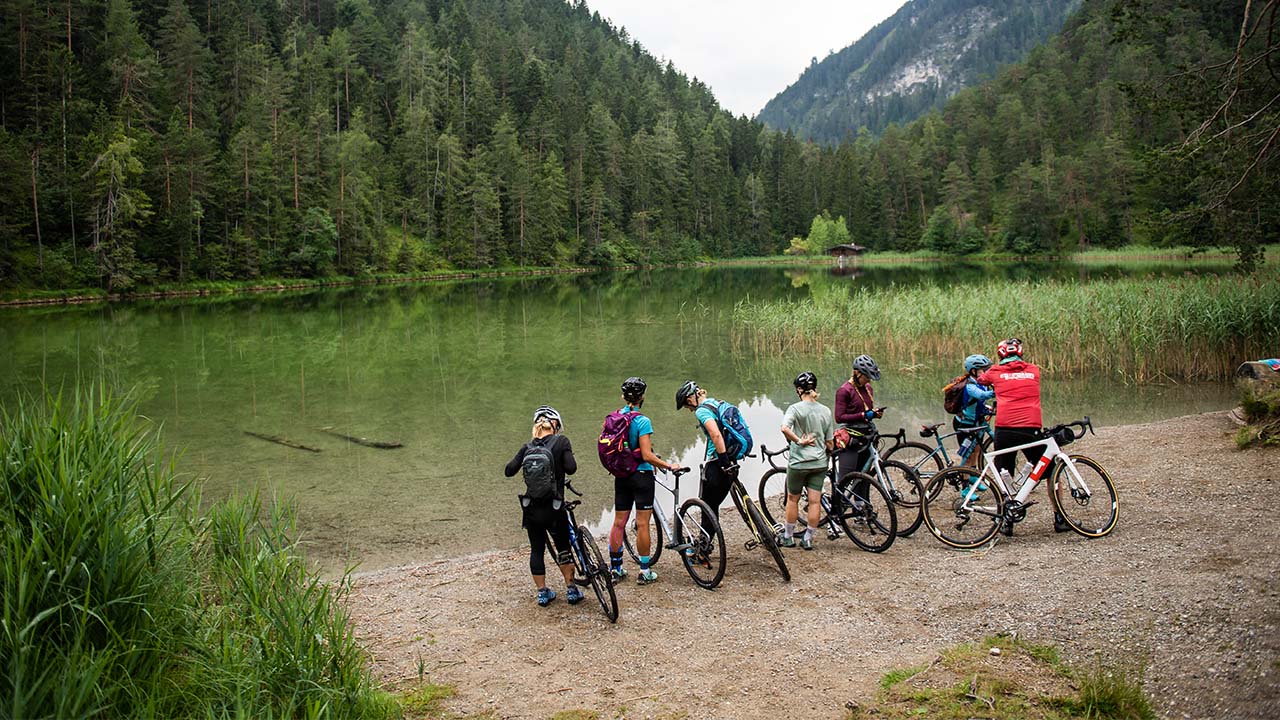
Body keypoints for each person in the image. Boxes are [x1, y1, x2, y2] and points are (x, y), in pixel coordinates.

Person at [976, 338, 1069, 535]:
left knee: (1004, 475)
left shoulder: (994, 372)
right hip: (1030, 428)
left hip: (1005, 429)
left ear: (1000, 355)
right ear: (1021, 353)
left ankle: (1006, 522)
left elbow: (980, 380)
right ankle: (1060, 518)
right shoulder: (1034, 370)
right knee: (1051, 473)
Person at [503, 405, 581, 606]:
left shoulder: (527, 447)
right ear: (555, 425)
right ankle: (571, 590)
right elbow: (572, 468)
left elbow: (508, 471)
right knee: (563, 548)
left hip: (532, 509)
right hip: (555, 508)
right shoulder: (561, 441)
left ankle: (542, 592)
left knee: (536, 549)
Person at [607, 377, 682, 584]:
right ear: (642, 397)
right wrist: (668, 465)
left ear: (623, 396)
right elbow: (647, 455)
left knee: (619, 522)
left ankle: (616, 568)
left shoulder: (615, 417)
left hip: (621, 475)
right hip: (641, 475)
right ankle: (644, 570)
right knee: (642, 523)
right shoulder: (642, 421)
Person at [778, 372, 835, 550]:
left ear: (799, 390)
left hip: (799, 463)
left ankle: (788, 537)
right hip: (819, 463)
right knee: (815, 501)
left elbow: (784, 428)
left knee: (793, 498)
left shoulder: (795, 409)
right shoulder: (825, 410)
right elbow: (830, 442)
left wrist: (799, 441)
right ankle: (808, 538)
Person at [675, 380, 741, 531]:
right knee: (714, 502)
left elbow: (716, 435)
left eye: (687, 406)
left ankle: (704, 546)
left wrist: (723, 462)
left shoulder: (701, 411)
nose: (689, 410)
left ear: (690, 399)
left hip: (718, 462)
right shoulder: (716, 403)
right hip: (733, 456)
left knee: (707, 505)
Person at [833, 354, 885, 510]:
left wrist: (874, 414)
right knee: (845, 479)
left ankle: (861, 508)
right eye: (866, 377)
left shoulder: (868, 388)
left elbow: (865, 409)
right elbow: (839, 417)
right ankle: (835, 514)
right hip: (850, 439)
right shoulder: (844, 391)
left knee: (863, 477)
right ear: (857, 373)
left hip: (866, 436)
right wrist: (863, 415)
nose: (868, 380)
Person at [954, 354, 995, 470]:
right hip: (965, 424)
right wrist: (999, 391)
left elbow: (977, 402)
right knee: (967, 455)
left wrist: (987, 407)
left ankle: (973, 475)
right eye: (984, 370)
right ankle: (965, 485)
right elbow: (982, 395)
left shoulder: (982, 383)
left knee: (976, 449)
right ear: (973, 371)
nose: (986, 372)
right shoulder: (970, 386)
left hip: (977, 422)